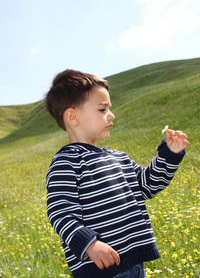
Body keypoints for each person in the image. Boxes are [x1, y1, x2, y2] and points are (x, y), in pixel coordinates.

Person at [45, 69, 189, 278]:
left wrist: (169, 154)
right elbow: (60, 212)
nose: (111, 115)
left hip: (134, 264)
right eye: (102, 109)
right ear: (72, 117)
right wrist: (89, 244)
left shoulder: (119, 158)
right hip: (102, 270)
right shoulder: (66, 162)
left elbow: (147, 186)